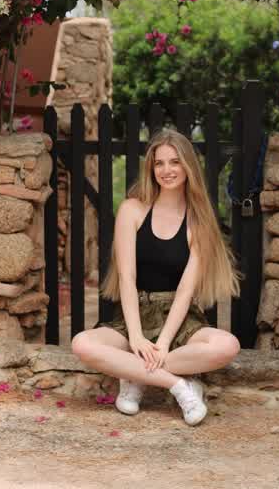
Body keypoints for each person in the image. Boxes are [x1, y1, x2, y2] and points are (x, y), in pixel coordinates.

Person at [72, 129, 241, 426]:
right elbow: (126, 277)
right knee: (82, 344)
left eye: (175, 162)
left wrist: (162, 344)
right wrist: (136, 336)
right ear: (151, 168)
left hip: (180, 317)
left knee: (227, 345)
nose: (166, 170)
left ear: (188, 166)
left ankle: (136, 375)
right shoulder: (132, 210)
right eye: (159, 163)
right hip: (135, 313)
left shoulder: (198, 222)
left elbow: (186, 290)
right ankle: (179, 385)